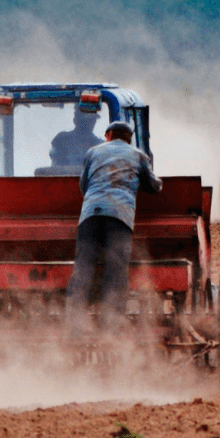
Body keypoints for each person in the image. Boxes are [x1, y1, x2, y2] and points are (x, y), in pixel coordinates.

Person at [64, 121, 162, 337]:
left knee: (83, 267)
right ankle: (111, 325)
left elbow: (84, 184)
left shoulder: (93, 152)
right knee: (116, 269)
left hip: (90, 215)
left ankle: (74, 324)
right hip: (120, 218)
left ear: (107, 134)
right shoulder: (138, 155)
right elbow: (153, 186)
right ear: (129, 138)